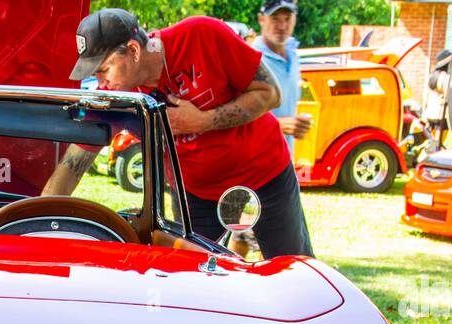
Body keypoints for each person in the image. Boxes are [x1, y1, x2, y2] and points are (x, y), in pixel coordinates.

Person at [49, 8, 313, 258]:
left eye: (104, 69)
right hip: (196, 194)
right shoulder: (116, 97)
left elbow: (270, 94)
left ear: (133, 49)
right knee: (189, 278)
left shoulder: (201, 35)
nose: (100, 81)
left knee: (292, 268)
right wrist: (38, 218)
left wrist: (202, 121)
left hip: (265, 175)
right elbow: (73, 163)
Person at [254, 1, 310, 157]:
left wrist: (297, 125)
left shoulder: (293, 54)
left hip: (284, 162)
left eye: (287, 18)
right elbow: (231, 122)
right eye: (275, 18)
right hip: (255, 167)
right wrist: (278, 125)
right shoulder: (251, 59)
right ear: (261, 19)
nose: (282, 26)